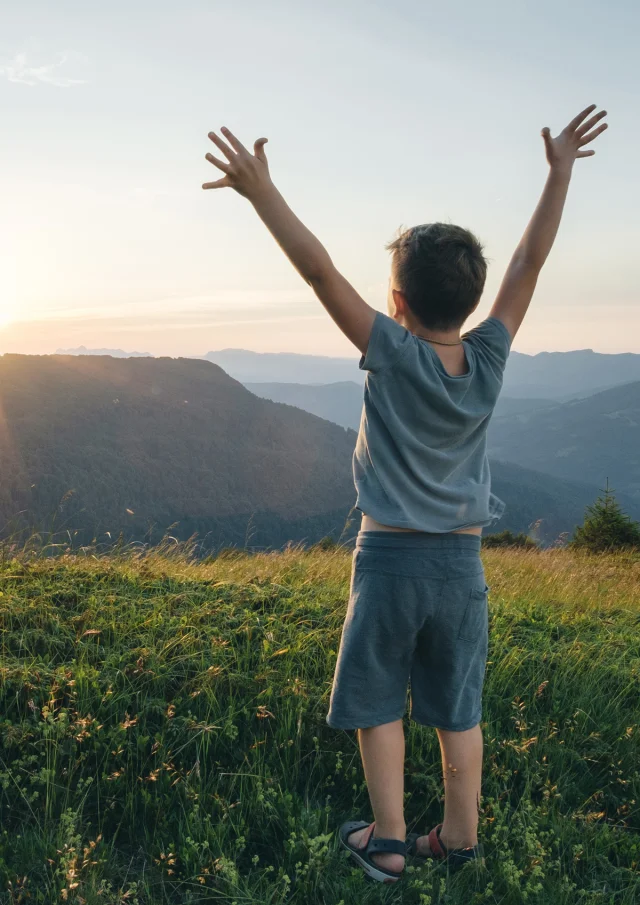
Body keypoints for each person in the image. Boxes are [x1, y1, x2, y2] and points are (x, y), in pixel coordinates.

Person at [202, 104, 608, 883]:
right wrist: (558, 175)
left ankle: (388, 840)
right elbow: (528, 267)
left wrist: (262, 195)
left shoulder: (389, 353)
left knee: (379, 701)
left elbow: (319, 270)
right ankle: (458, 838)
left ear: (396, 303)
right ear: (469, 298)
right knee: (460, 711)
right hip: (463, 571)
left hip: (387, 559)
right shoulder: (487, 359)